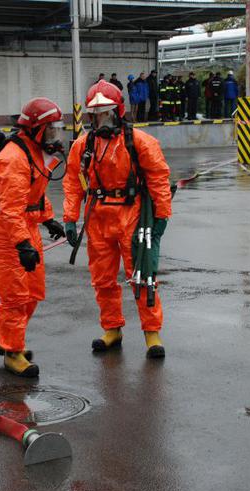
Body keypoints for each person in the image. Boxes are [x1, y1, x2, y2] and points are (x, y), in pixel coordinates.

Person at [63, 81, 172, 358]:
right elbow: (73, 184)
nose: (101, 120)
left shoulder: (139, 142)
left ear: (118, 111)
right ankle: (112, 328)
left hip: (131, 216)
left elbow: (159, 179)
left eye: (106, 113)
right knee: (102, 279)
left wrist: (161, 216)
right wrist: (69, 219)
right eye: (96, 115)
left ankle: (152, 332)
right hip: (98, 218)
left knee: (142, 275)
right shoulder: (83, 145)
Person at [0, 97, 66, 377]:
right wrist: (22, 244)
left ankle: (3, 338)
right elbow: (10, 208)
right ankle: (12, 352)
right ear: (38, 129)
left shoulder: (35, 152)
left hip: (23, 225)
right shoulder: (13, 158)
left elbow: (36, 192)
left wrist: (48, 218)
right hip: (4, 229)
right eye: (51, 129)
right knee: (16, 295)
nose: (56, 134)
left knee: (34, 291)